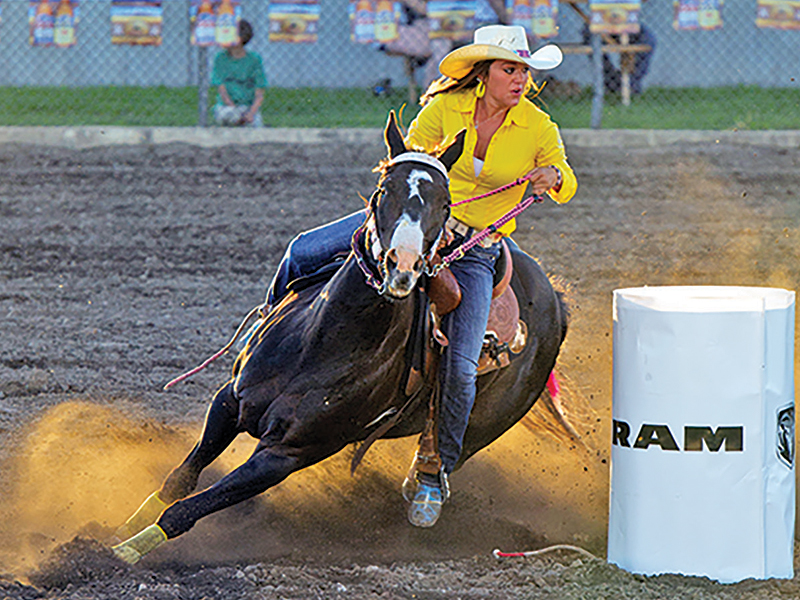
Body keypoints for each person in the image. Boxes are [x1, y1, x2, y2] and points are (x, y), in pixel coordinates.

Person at [259, 24, 577, 528]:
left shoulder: (537, 127)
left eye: (525, 71)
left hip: (473, 250)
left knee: (462, 366)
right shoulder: (444, 109)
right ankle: (263, 350)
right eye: (510, 69)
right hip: (414, 226)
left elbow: (566, 177)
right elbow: (407, 162)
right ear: (484, 73)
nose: (521, 79)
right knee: (301, 252)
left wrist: (553, 176)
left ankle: (434, 469)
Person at [211, 19, 267, 127]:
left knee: (256, 126)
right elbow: (222, 90)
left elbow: (260, 92)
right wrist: (235, 110)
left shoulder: (254, 59)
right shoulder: (220, 58)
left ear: (241, 38)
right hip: (227, 107)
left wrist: (251, 113)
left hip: (247, 107)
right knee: (229, 115)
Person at [581, 23, 656, 95]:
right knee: (590, 35)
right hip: (601, 27)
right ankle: (611, 82)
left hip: (626, 25)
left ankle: (631, 83)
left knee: (648, 38)